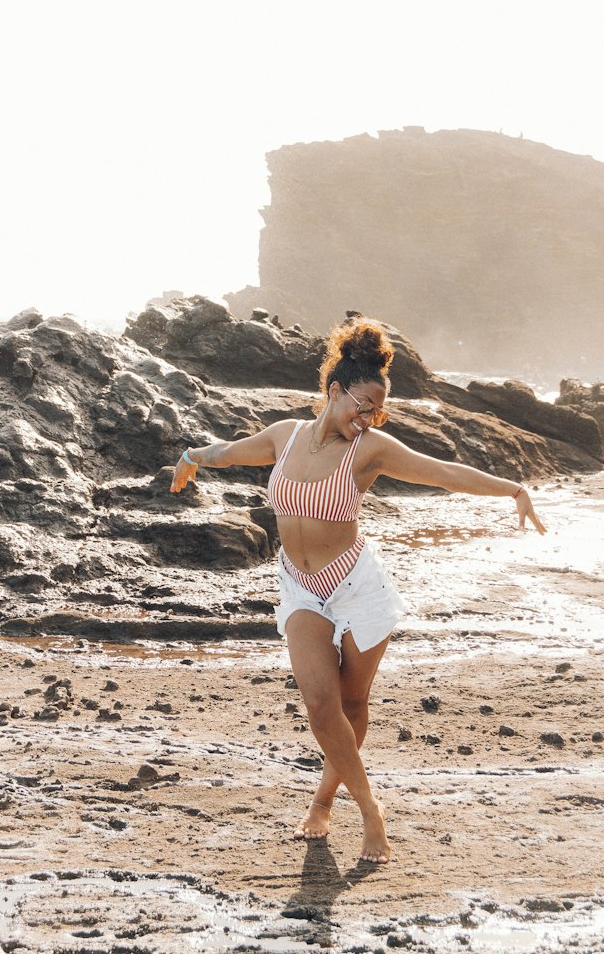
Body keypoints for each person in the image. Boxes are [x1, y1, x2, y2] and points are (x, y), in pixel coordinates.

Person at [169, 317, 546, 865]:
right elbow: (230, 451)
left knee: (351, 702)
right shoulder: (286, 436)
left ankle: (325, 799)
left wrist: (512, 488)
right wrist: (191, 458)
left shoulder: (369, 449)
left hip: (356, 585)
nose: (367, 418)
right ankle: (372, 811)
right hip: (301, 587)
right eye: (361, 405)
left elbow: (439, 471)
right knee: (321, 705)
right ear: (333, 391)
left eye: (377, 411)